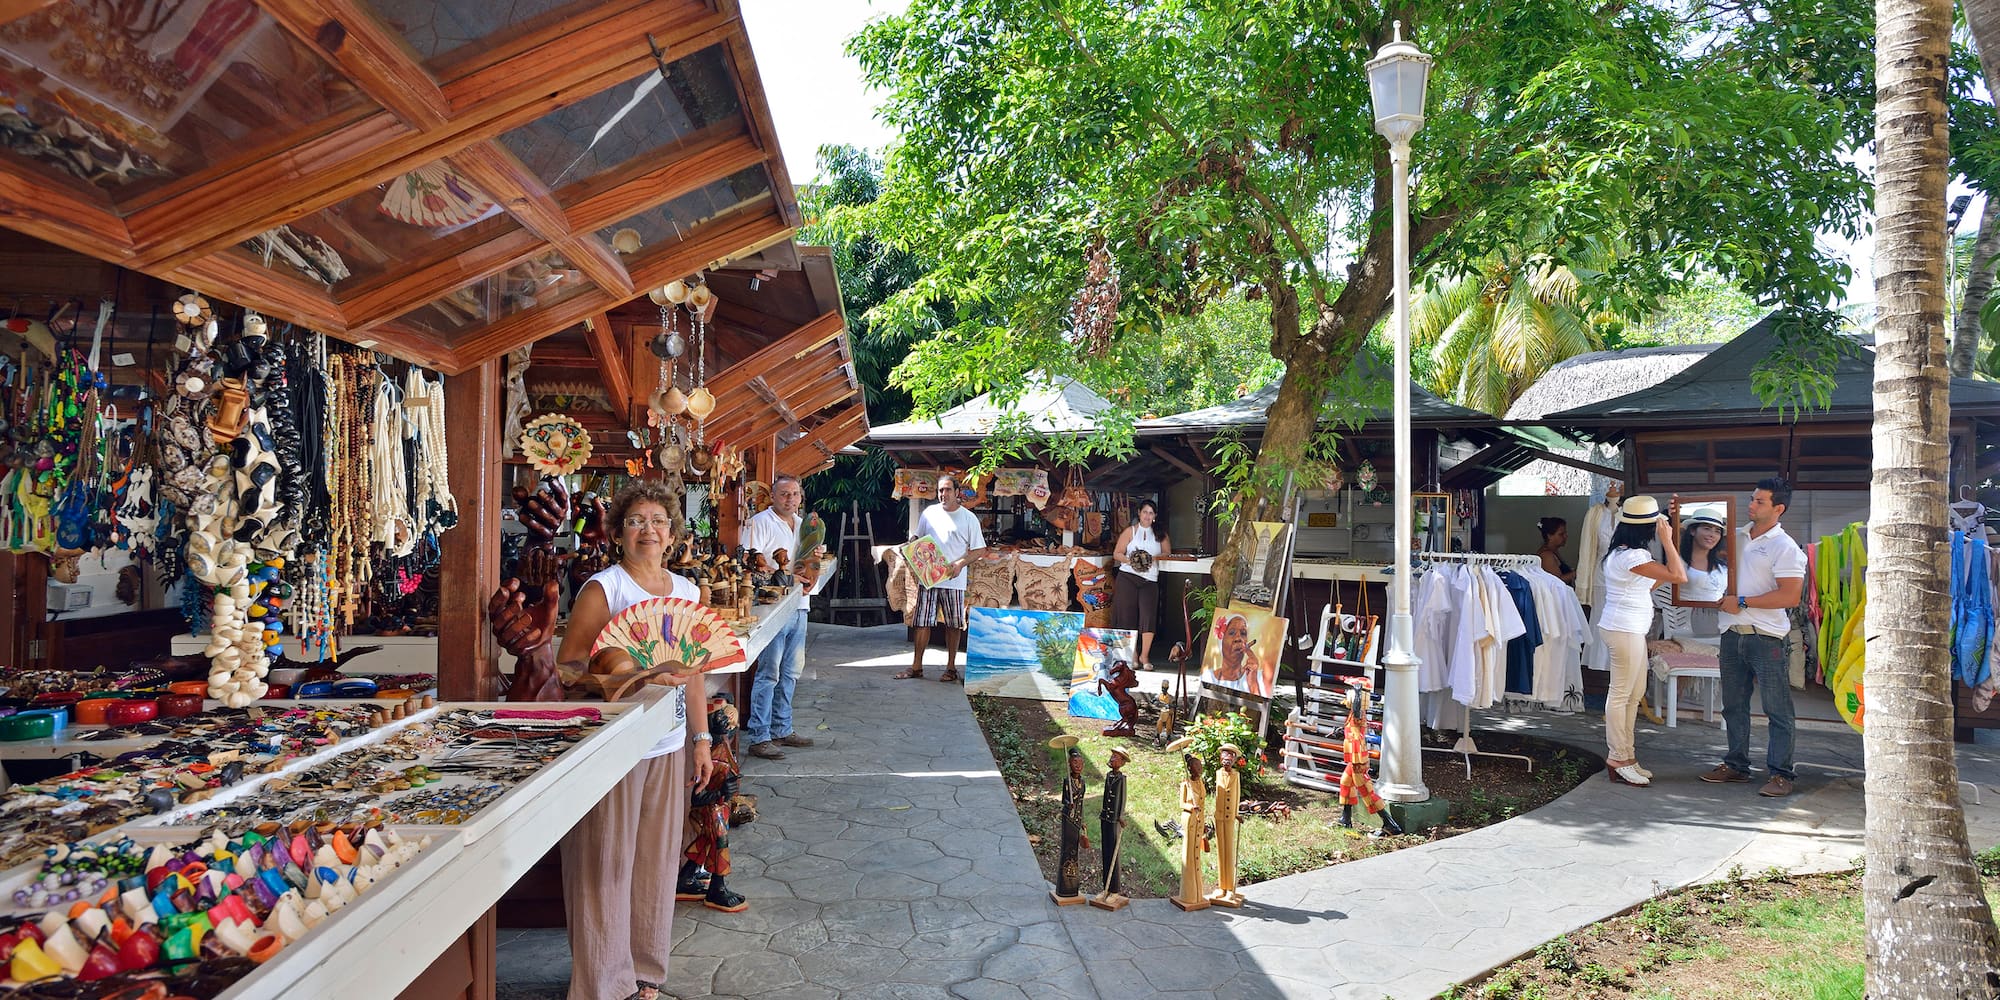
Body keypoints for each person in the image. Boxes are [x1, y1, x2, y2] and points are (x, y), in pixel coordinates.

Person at [552, 482, 712, 1000]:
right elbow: (569, 667)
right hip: (614, 745)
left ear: (672, 532)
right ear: (618, 532)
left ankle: (645, 973)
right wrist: (632, 673)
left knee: (656, 863)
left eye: (658, 521)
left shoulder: (686, 591)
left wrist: (701, 738)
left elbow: (693, 674)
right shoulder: (605, 589)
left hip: (667, 743)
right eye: (636, 521)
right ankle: (603, 982)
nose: (649, 530)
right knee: (604, 862)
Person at [1703, 477, 1807, 798]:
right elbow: (1699, 556)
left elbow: (1790, 596)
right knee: (1733, 705)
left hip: (1767, 637)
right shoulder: (1735, 537)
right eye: (1752, 498)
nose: (1751, 505)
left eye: (1760, 501)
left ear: (1779, 508)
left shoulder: (1785, 547)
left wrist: (1743, 602)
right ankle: (1736, 765)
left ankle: (1781, 774)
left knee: (1777, 709)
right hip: (1731, 634)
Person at [1597, 495, 1686, 788]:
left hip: (1627, 629)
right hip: (1624, 630)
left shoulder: (1626, 555)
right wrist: (1668, 540)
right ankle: (1618, 757)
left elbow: (1656, 581)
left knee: (1633, 694)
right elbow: (1678, 575)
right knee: (1622, 694)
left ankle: (1627, 755)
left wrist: (1669, 530)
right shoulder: (1632, 557)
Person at [741, 474, 814, 760]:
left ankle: (782, 728)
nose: (790, 499)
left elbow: (808, 562)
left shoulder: (804, 525)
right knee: (769, 672)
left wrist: (811, 568)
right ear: (772, 496)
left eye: (794, 494)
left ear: (800, 497)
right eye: (784, 494)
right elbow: (751, 564)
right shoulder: (759, 522)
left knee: (792, 672)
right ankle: (759, 736)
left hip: (800, 605)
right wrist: (787, 577)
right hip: (772, 607)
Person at [896, 472, 989, 682]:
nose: (943, 494)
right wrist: (910, 544)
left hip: (954, 580)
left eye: (947, 490)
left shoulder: (968, 518)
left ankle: (951, 668)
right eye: (940, 490)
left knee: (953, 624)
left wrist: (960, 563)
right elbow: (918, 537)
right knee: (922, 622)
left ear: (957, 492)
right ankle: (917, 666)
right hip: (929, 578)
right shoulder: (929, 513)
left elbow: (979, 550)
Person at [1111, 499, 1171, 664]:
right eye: (1145, 512)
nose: (1147, 516)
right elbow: (1117, 553)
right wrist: (1131, 560)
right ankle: (1132, 654)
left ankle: (1145, 655)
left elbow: (1167, 552)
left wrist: (1151, 559)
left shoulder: (1160, 534)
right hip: (1128, 577)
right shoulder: (1130, 531)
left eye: (1151, 513)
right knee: (1127, 615)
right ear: (1139, 513)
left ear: (1155, 516)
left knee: (1148, 615)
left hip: (1149, 579)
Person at [1206, 612, 1272, 697]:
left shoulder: (1259, 677)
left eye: (1243, 633)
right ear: (1221, 641)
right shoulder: (1208, 676)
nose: (1238, 638)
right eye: (1232, 633)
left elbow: (1258, 703)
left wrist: (1253, 683)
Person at [1678, 511, 1730, 603]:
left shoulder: (1722, 566)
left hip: (1719, 612)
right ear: (1693, 531)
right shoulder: (1678, 562)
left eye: (1717, 531)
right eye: (1707, 528)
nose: (1712, 535)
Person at [1536, 516, 1575, 585]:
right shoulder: (1546, 556)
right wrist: (1576, 573)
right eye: (1561, 534)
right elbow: (1556, 581)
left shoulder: (1554, 552)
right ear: (1549, 536)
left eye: (1565, 533)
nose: (1566, 536)